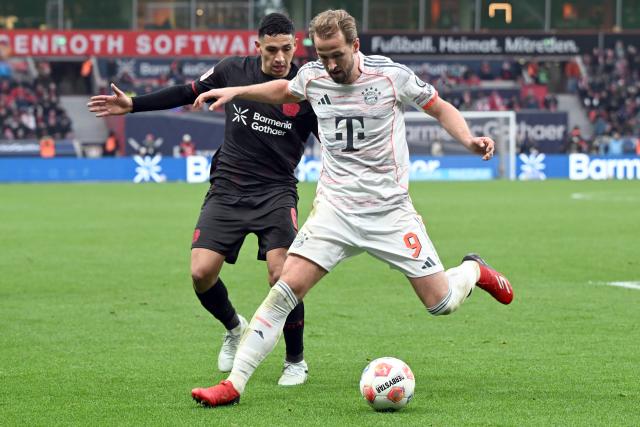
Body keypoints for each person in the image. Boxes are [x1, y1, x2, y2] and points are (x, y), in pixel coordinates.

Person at [189, 9, 514, 407]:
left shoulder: (391, 76)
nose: (329, 64)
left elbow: (440, 107)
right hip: (335, 212)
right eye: (322, 55)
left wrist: (468, 140)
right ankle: (233, 385)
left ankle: (472, 269)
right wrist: (236, 92)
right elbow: (285, 90)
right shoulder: (312, 76)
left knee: (441, 304)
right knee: (283, 291)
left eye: (336, 55)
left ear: (355, 46)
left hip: (389, 212)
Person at [87, 13, 318, 386]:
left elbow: (333, 140)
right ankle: (233, 326)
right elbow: (187, 91)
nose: (280, 58)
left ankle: (295, 360)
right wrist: (132, 104)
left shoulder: (306, 86)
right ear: (256, 47)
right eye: (272, 49)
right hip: (228, 187)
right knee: (200, 273)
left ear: (296, 46)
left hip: (276, 190)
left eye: (287, 49)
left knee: (282, 275)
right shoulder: (231, 70)